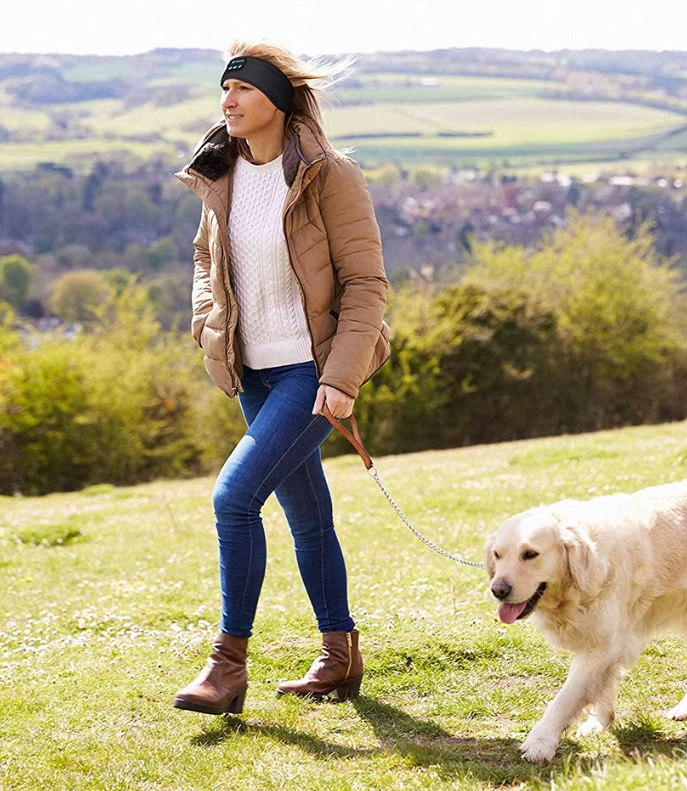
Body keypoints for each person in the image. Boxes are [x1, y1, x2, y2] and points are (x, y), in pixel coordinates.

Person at [172, 41, 390, 715]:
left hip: (309, 369)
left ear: (277, 99)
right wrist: (210, 323)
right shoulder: (221, 171)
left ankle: (226, 665)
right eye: (224, 89)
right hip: (254, 372)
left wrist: (343, 377)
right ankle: (339, 650)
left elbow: (364, 285)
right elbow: (207, 258)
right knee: (306, 514)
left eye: (240, 89)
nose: (226, 101)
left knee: (233, 499)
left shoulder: (329, 175)